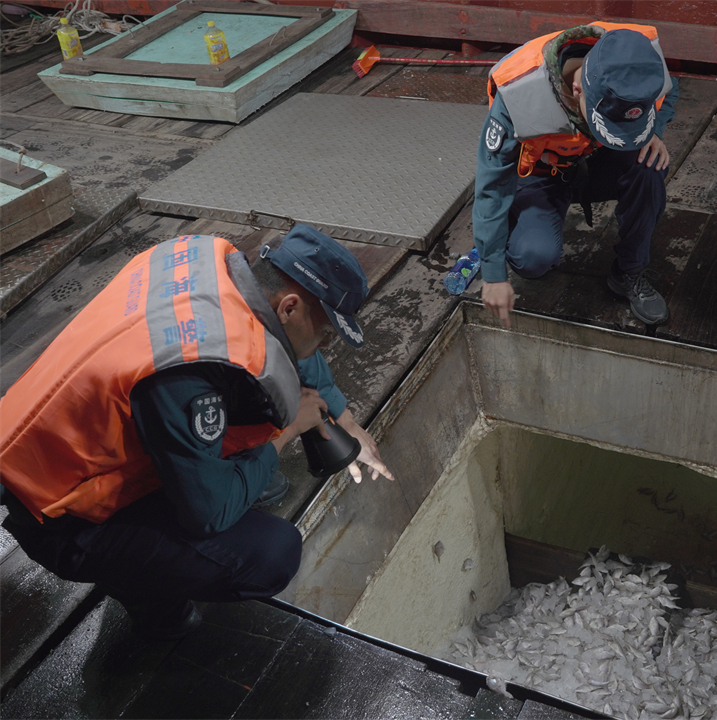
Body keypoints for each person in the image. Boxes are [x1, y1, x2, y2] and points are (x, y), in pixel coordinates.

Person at [0, 224, 393, 640]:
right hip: (62, 517)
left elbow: (292, 346)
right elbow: (209, 514)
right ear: (290, 308)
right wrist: (289, 430)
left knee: (251, 453)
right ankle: (146, 598)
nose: (326, 346)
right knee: (271, 554)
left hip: (59, 435)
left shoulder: (211, 265)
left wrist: (344, 418)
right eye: (327, 334)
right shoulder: (187, 372)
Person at [474, 22, 680, 328]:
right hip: (542, 173)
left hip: (598, 160)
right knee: (533, 259)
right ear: (577, 89)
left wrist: (652, 131)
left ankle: (629, 272)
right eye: (605, 123)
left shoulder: (640, 58)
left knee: (650, 166)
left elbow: (670, 87)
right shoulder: (518, 91)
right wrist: (492, 274)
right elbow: (492, 184)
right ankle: (515, 231)